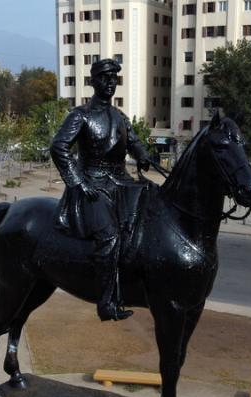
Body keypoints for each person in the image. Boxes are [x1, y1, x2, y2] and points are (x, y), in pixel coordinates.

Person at [50, 58, 156, 322]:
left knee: (153, 212)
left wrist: (142, 155)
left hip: (121, 182)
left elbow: (133, 141)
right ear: (93, 81)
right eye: (105, 78)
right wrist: (78, 182)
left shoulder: (119, 117)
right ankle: (106, 302)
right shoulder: (81, 115)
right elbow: (59, 147)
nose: (110, 83)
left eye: (114, 79)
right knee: (109, 237)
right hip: (94, 186)